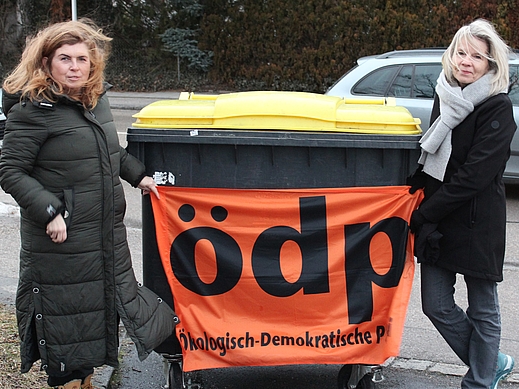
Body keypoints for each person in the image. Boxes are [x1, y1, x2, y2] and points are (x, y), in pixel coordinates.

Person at [0, 19, 179, 389]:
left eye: (82, 59)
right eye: (65, 58)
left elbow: (108, 152)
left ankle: (87, 380)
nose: (75, 66)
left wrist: (138, 175)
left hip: (103, 237)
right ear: (46, 62)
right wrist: (49, 210)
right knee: (67, 323)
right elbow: (11, 172)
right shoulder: (31, 111)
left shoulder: (95, 101)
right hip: (61, 244)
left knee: (97, 317)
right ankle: (71, 380)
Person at [408, 19, 516, 388]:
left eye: (476, 56)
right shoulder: (446, 94)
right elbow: (433, 157)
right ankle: (495, 362)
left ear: (491, 64)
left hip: (476, 220)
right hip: (440, 219)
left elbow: (474, 176)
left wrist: (424, 214)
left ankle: (480, 382)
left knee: (483, 308)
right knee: (435, 305)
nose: (465, 61)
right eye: (460, 52)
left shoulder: (498, 107)